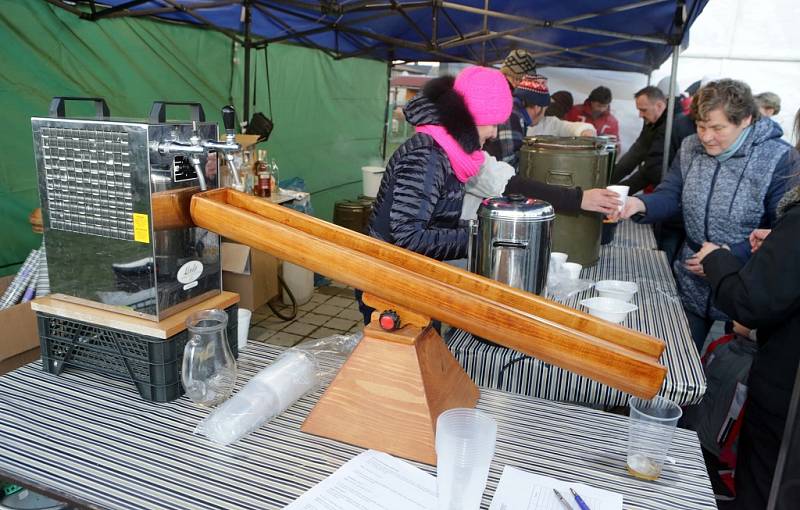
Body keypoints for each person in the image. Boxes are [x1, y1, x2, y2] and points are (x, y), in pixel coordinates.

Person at [617, 79, 799, 352]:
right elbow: (671, 193)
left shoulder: (779, 158)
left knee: (724, 367)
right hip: (689, 277)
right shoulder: (691, 147)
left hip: (742, 285)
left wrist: (727, 255)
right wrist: (638, 204)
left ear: (746, 120)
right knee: (676, 353)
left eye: (717, 128)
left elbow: (780, 233)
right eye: (701, 126)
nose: (706, 136)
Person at [357, 66, 512, 323]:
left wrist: (487, 229)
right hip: (389, 281)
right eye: (493, 122)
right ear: (472, 116)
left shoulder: (449, 152)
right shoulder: (428, 155)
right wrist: (480, 238)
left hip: (410, 276)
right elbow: (408, 237)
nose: (495, 133)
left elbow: (436, 221)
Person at [693, 181, 800, 509]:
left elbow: (749, 301)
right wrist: (779, 246)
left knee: (764, 487)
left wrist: (716, 259)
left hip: (786, 395)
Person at [610, 86, 692, 194]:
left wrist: (617, 191)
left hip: (674, 191)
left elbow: (651, 167)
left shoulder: (675, 125)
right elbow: (635, 153)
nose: (640, 115)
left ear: (659, 105)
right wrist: (608, 180)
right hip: (660, 187)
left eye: (643, 110)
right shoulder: (653, 122)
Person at [484, 49, 537, 165]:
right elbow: (508, 162)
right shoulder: (508, 107)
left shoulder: (491, 94)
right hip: (495, 178)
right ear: (518, 80)